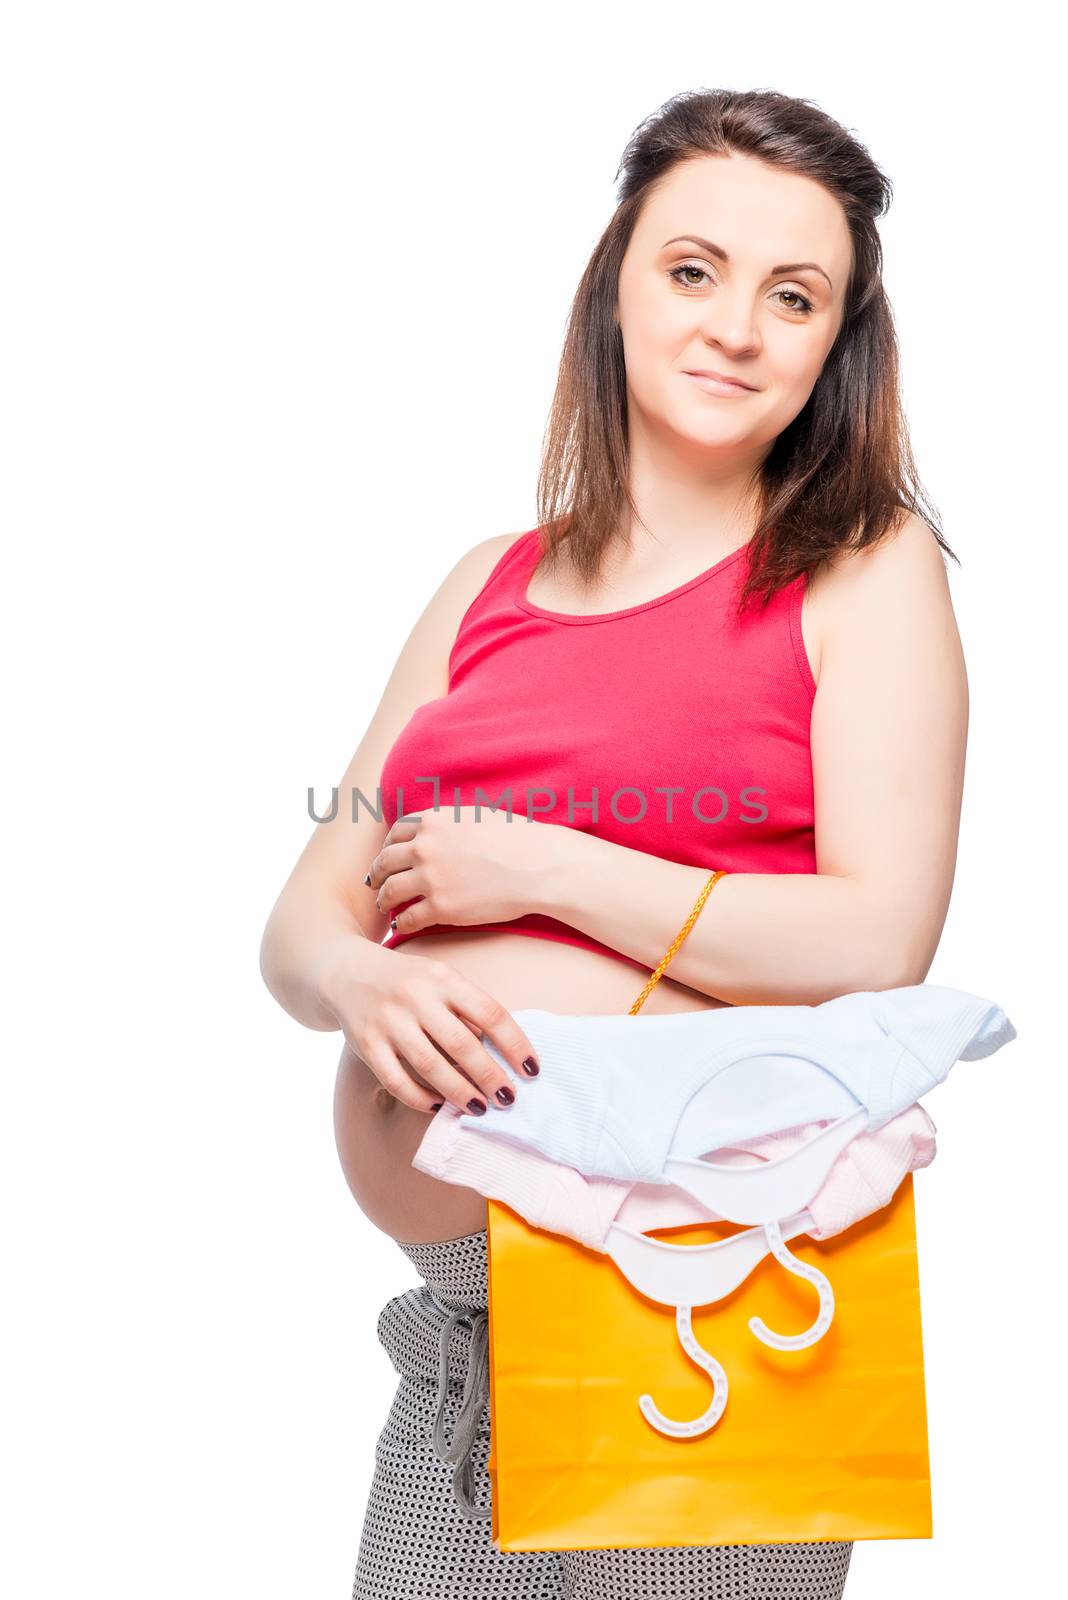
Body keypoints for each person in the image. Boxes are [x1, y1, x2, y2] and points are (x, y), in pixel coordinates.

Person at [259, 86, 965, 1600]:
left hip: (697, 1304)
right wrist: (366, 985)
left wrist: (537, 868)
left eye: (797, 296)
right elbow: (302, 924)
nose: (737, 327)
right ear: (617, 283)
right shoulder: (486, 581)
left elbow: (878, 938)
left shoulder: (862, 568)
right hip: (466, 1342)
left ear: (838, 342)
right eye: (694, 269)